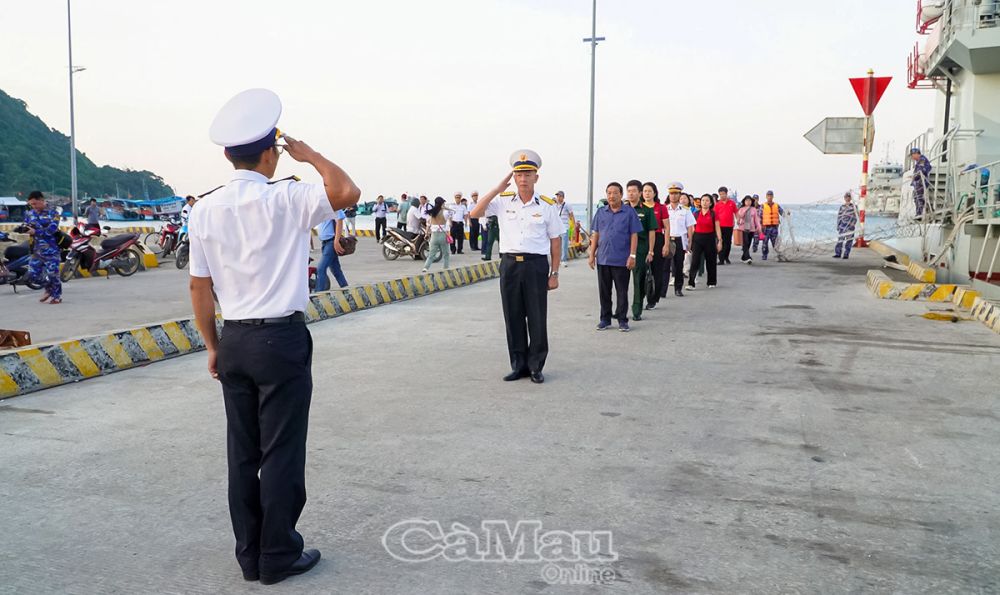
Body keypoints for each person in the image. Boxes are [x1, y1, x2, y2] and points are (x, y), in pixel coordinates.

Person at [189, 88, 360, 585]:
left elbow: (199, 286)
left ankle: (249, 555)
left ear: (227, 155)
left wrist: (214, 346)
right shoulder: (288, 195)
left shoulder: (205, 208)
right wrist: (310, 156)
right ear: (271, 152)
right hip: (280, 341)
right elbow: (347, 192)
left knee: (242, 453)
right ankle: (277, 554)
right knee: (281, 450)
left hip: (236, 339)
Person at [469, 149, 562, 383]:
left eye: (528, 174)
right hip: (510, 264)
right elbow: (475, 212)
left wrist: (555, 273)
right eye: (519, 174)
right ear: (513, 177)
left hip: (536, 265)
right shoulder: (502, 201)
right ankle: (518, 364)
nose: (523, 179)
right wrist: (496, 190)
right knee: (513, 316)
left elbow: (555, 240)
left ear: (536, 177)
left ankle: (535, 366)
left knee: (537, 317)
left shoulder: (547, 205)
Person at [589, 182, 641, 332]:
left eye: (615, 193)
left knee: (622, 291)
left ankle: (622, 320)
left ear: (621, 195)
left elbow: (634, 234)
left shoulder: (629, 212)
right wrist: (592, 254)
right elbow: (596, 234)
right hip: (603, 258)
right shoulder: (601, 212)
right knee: (604, 291)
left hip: (621, 259)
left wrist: (632, 255)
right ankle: (605, 319)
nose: (611, 196)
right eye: (609, 193)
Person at [624, 180, 656, 321]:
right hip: (623, 249)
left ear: (640, 193)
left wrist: (650, 251)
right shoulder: (623, 209)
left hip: (641, 249)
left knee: (639, 280)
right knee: (621, 282)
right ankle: (621, 310)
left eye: (634, 191)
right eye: (628, 191)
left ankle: (637, 309)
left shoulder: (647, 210)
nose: (631, 194)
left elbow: (651, 232)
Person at [24, 191, 63, 304]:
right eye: (31, 204)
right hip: (36, 251)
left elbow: (51, 230)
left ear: (42, 200)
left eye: (35, 203)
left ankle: (56, 296)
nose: (33, 206)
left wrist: (36, 231)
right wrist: (22, 229)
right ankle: (49, 288)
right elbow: (26, 225)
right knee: (32, 276)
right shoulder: (29, 213)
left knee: (53, 275)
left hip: (51, 250)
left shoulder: (53, 213)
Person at [664, 183, 695, 296]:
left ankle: (678, 288)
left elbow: (689, 227)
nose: (673, 196)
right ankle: (662, 290)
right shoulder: (665, 209)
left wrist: (690, 241)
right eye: (671, 193)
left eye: (676, 193)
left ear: (679, 194)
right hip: (667, 239)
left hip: (680, 240)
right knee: (665, 266)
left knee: (678, 265)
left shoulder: (685, 210)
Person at [687, 194, 722, 290]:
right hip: (697, 239)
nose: (704, 202)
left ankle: (712, 281)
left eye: (707, 201)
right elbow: (692, 228)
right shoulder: (696, 214)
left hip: (710, 238)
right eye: (703, 200)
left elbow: (717, 228)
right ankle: (691, 283)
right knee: (695, 261)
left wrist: (720, 241)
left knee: (711, 261)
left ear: (710, 203)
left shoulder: (713, 214)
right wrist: (689, 240)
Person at [644, 182, 668, 308]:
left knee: (657, 272)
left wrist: (666, 244)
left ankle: (654, 298)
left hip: (658, 239)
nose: (647, 193)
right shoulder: (640, 207)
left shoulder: (661, 207)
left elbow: (667, 227)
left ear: (654, 193)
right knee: (644, 272)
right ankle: (645, 296)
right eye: (645, 191)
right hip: (643, 239)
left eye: (649, 191)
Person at [315, 210, 349, 290]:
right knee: (336, 270)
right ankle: (346, 290)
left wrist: (336, 241)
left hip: (331, 242)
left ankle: (318, 294)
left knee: (321, 269)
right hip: (325, 243)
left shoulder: (335, 207)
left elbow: (339, 221)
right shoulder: (324, 208)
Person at [423, 197, 451, 272]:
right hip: (442, 235)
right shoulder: (445, 212)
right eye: (443, 203)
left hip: (434, 236)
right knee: (446, 254)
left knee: (431, 255)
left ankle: (425, 268)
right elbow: (448, 224)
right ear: (442, 203)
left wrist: (426, 234)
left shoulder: (431, 213)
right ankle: (446, 268)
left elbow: (428, 225)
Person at [714, 186, 738, 265]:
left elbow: (736, 212)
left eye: (723, 194)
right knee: (720, 241)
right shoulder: (717, 205)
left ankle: (726, 257)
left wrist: (738, 220)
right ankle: (721, 259)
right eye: (720, 194)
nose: (722, 196)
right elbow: (714, 215)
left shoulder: (732, 203)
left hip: (729, 226)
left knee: (728, 243)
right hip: (719, 226)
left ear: (726, 194)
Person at [834, 191, 859, 259]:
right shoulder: (842, 207)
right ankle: (838, 253)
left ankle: (846, 254)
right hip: (842, 226)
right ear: (844, 198)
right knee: (840, 240)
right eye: (846, 197)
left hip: (850, 227)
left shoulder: (854, 206)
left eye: (848, 197)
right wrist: (838, 225)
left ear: (850, 198)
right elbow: (839, 216)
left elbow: (856, 216)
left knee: (849, 241)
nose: (847, 198)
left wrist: (853, 224)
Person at [760, 190, 784, 261]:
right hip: (765, 228)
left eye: (771, 196)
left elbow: (782, 213)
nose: (769, 197)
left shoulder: (776, 205)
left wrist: (787, 214)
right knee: (765, 243)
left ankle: (778, 255)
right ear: (766, 197)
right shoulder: (763, 206)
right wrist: (760, 226)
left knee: (775, 243)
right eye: (768, 196)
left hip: (774, 227)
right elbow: (760, 216)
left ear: (773, 196)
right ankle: (764, 255)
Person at [553, 191, 575, 266]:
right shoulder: (554, 205)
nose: (558, 198)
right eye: (557, 196)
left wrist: (574, 227)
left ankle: (564, 260)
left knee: (564, 245)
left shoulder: (567, 205)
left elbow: (571, 216)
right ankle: (556, 260)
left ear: (563, 197)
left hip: (565, 227)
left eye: (560, 196)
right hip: (556, 227)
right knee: (556, 245)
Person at [737, 196, 760, 264]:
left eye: (749, 201)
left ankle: (743, 257)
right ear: (744, 202)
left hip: (751, 228)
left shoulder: (754, 209)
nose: (748, 202)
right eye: (746, 201)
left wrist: (759, 227)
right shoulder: (741, 209)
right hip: (743, 228)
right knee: (745, 242)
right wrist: (745, 209)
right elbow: (740, 216)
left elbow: (756, 219)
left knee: (749, 243)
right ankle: (748, 257)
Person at [911, 147, 932, 216]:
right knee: (916, 198)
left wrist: (914, 176)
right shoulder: (919, 161)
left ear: (916, 154)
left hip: (921, 183)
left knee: (919, 198)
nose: (912, 156)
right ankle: (919, 213)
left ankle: (919, 214)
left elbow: (921, 171)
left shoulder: (922, 159)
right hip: (918, 183)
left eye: (912, 154)